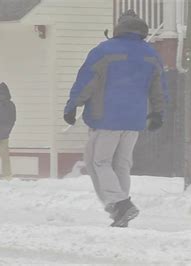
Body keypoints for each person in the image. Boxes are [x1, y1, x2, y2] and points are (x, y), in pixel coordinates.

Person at [63, 10, 168, 227]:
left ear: (119, 27)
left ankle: (120, 205)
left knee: (98, 162)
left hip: (106, 118)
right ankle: (121, 211)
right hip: (134, 120)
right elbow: (160, 87)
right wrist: (158, 112)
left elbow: (86, 81)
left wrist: (73, 105)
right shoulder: (151, 54)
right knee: (121, 164)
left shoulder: (104, 51)